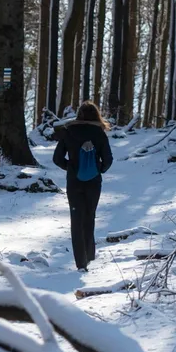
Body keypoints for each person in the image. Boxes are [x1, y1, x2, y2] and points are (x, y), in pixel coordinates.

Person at [52, 101, 113, 270]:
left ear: (78, 115)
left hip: (74, 182)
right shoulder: (99, 133)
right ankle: (90, 258)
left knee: (76, 220)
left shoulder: (69, 131)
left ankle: (81, 263)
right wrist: (98, 169)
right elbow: (108, 160)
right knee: (89, 217)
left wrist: (71, 168)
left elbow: (57, 158)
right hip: (93, 183)